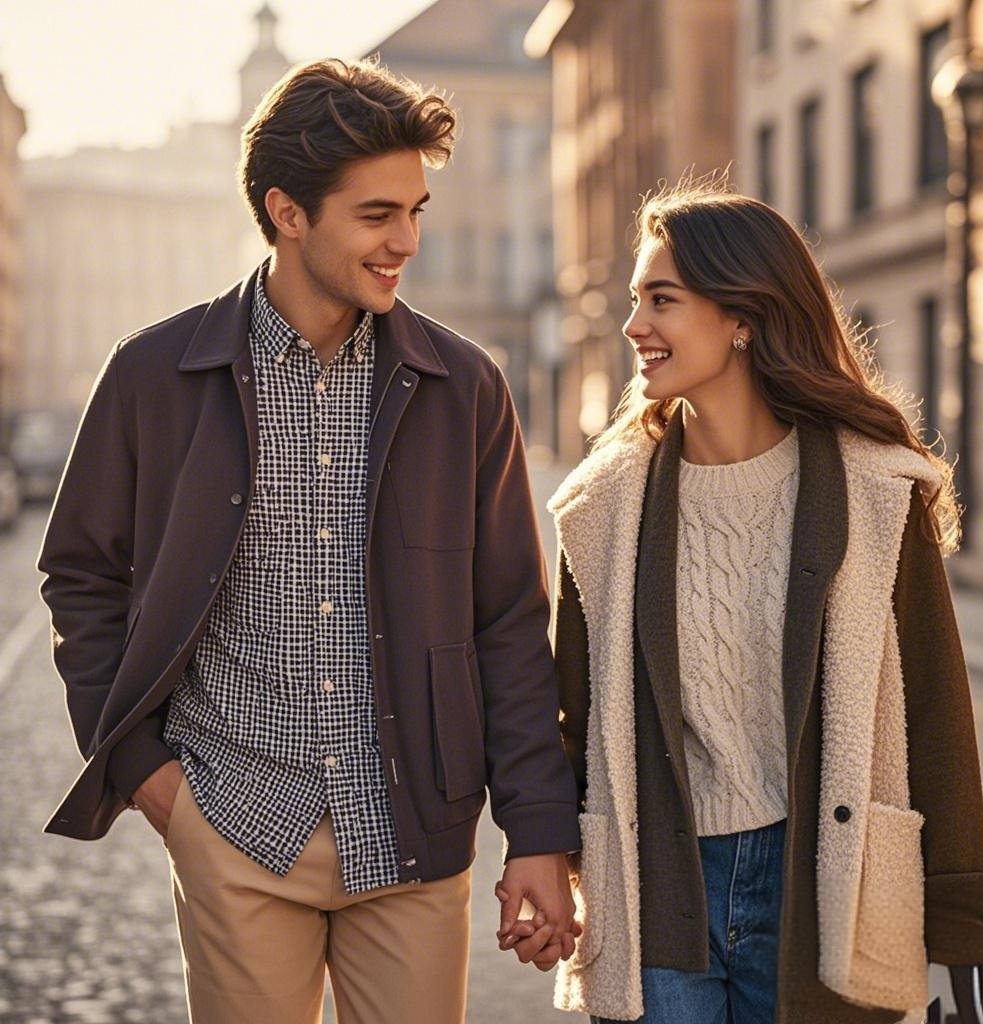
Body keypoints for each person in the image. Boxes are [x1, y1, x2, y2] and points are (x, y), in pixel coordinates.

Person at [38, 57, 580, 1024]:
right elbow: (81, 577)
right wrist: (150, 780)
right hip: (234, 821)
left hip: (413, 833)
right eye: (378, 215)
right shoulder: (154, 374)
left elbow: (507, 621)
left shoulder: (467, 389)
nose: (406, 241)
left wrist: (538, 831)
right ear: (288, 212)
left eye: (415, 210)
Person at [538, 177, 983, 1023]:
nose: (634, 326)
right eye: (637, 299)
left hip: (822, 889)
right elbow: (566, 716)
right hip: (658, 896)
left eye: (662, 300)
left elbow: (936, 718)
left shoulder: (873, 490)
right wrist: (542, 858)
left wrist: (962, 933)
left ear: (743, 316)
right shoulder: (602, 509)